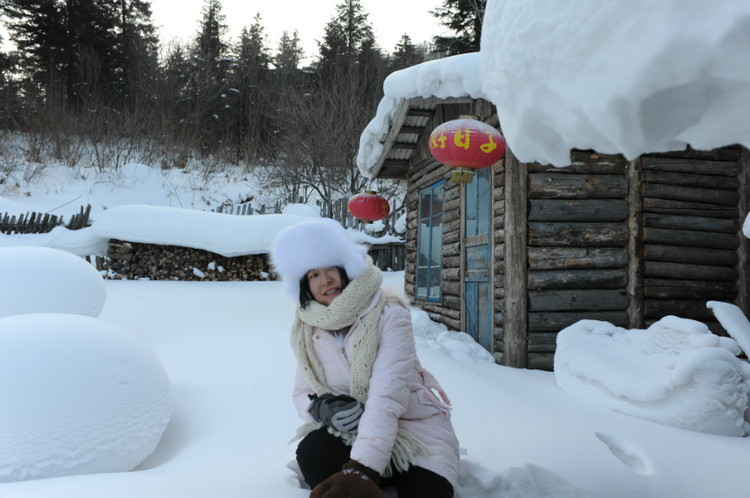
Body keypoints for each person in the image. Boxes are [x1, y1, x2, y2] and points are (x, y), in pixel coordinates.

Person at [271, 218, 459, 498]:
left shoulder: (389, 313)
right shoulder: (308, 329)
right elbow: (302, 392)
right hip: (354, 434)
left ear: (346, 268)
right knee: (313, 454)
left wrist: (362, 470)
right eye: (313, 275)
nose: (326, 280)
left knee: (429, 492)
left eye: (331, 267)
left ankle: (376, 474)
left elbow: (387, 394)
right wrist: (322, 408)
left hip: (413, 428)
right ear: (304, 285)